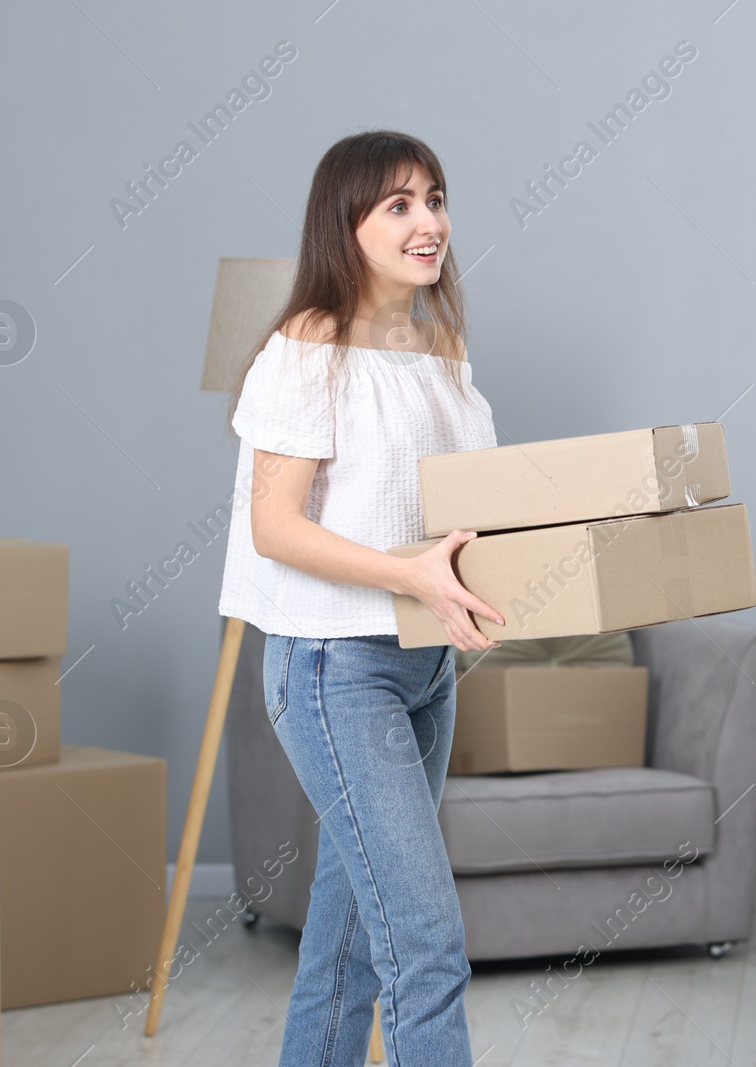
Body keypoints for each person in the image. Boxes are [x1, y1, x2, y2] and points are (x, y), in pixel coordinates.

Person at [217, 129, 503, 1067]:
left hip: (427, 667)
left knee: (344, 955)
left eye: (436, 198)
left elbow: (457, 518)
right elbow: (277, 527)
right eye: (400, 205)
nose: (431, 223)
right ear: (347, 223)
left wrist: (471, 595)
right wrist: (411, 577)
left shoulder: (442, 349)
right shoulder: (307, 348)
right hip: (338, 668)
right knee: (425, 949)